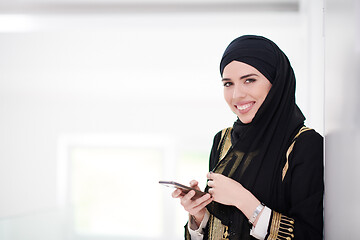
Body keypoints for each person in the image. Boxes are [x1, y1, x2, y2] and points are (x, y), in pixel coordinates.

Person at [172, 35, 324, 240]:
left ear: (276, 82)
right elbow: (224, 227)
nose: (236, 95)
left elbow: (309, 235)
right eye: (228, 84)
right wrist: (199, 215)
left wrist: (244, 201)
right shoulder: (223, 140)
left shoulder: (304, 144)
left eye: (249, 80)